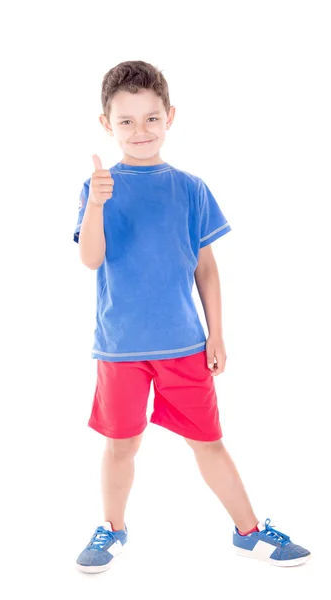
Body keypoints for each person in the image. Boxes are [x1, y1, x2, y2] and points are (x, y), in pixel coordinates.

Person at [73, 60, 311, 573]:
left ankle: (248, 531)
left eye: (151, 118)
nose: (140, 131)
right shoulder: (99, 187)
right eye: (127, 121)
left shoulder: (191, 188)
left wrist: (216, 334)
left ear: (170, 117)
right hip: (120, 348)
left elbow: (206, 267)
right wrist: (94, 205)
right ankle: (111, 528)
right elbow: (90, 259)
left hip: (184, 344)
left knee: (209, 441)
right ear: (106, 124)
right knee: (122, 443)